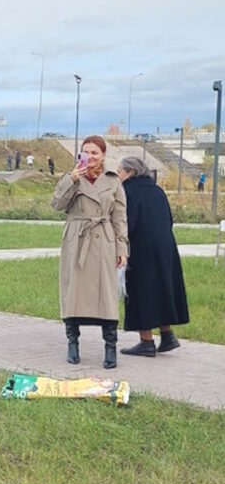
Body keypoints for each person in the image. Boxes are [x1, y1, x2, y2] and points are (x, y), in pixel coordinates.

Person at [51, 135, 128, 368]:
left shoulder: (114, 181)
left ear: (104, 155)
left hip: (103, 241)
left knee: (106, 295)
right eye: (86, 152)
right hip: (77, 240)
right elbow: (57, 205)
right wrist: (71, 180)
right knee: (72, 293)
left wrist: (122, 248)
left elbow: (120, 218)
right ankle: (72, 345)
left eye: (95, 152)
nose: (91, 157)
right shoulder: (71, 177)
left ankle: (110, 347)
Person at [117, 156, 189, 356]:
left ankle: (146, 341)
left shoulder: (128, 192)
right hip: (165, 247)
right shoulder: (158, 191)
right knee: (162, 288)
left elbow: (127, 224)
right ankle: (167, 336)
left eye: (120, 172)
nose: (118, 176)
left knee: (141, 292)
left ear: (131, 172)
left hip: (141, 249)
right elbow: (169, 219)